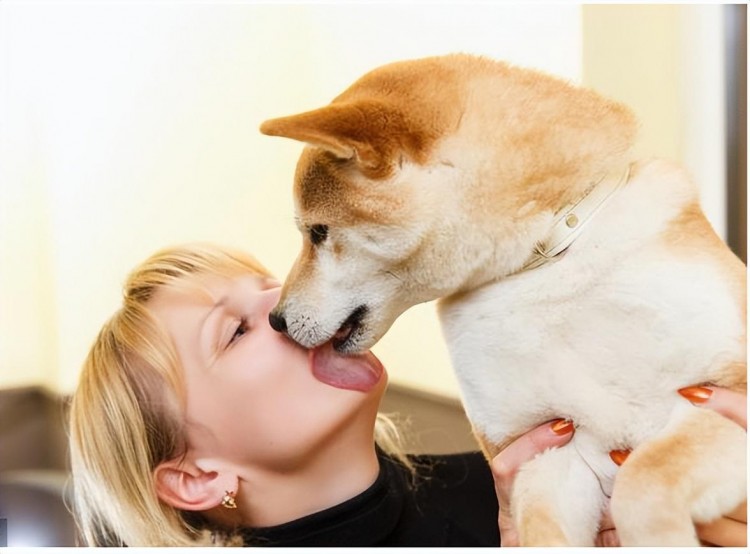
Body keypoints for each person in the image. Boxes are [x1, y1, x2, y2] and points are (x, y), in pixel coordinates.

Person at [68, 243, 747, 547]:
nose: (287, 304)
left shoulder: (522, 474)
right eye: (237, 331)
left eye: (271, 284)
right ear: (196, 477)